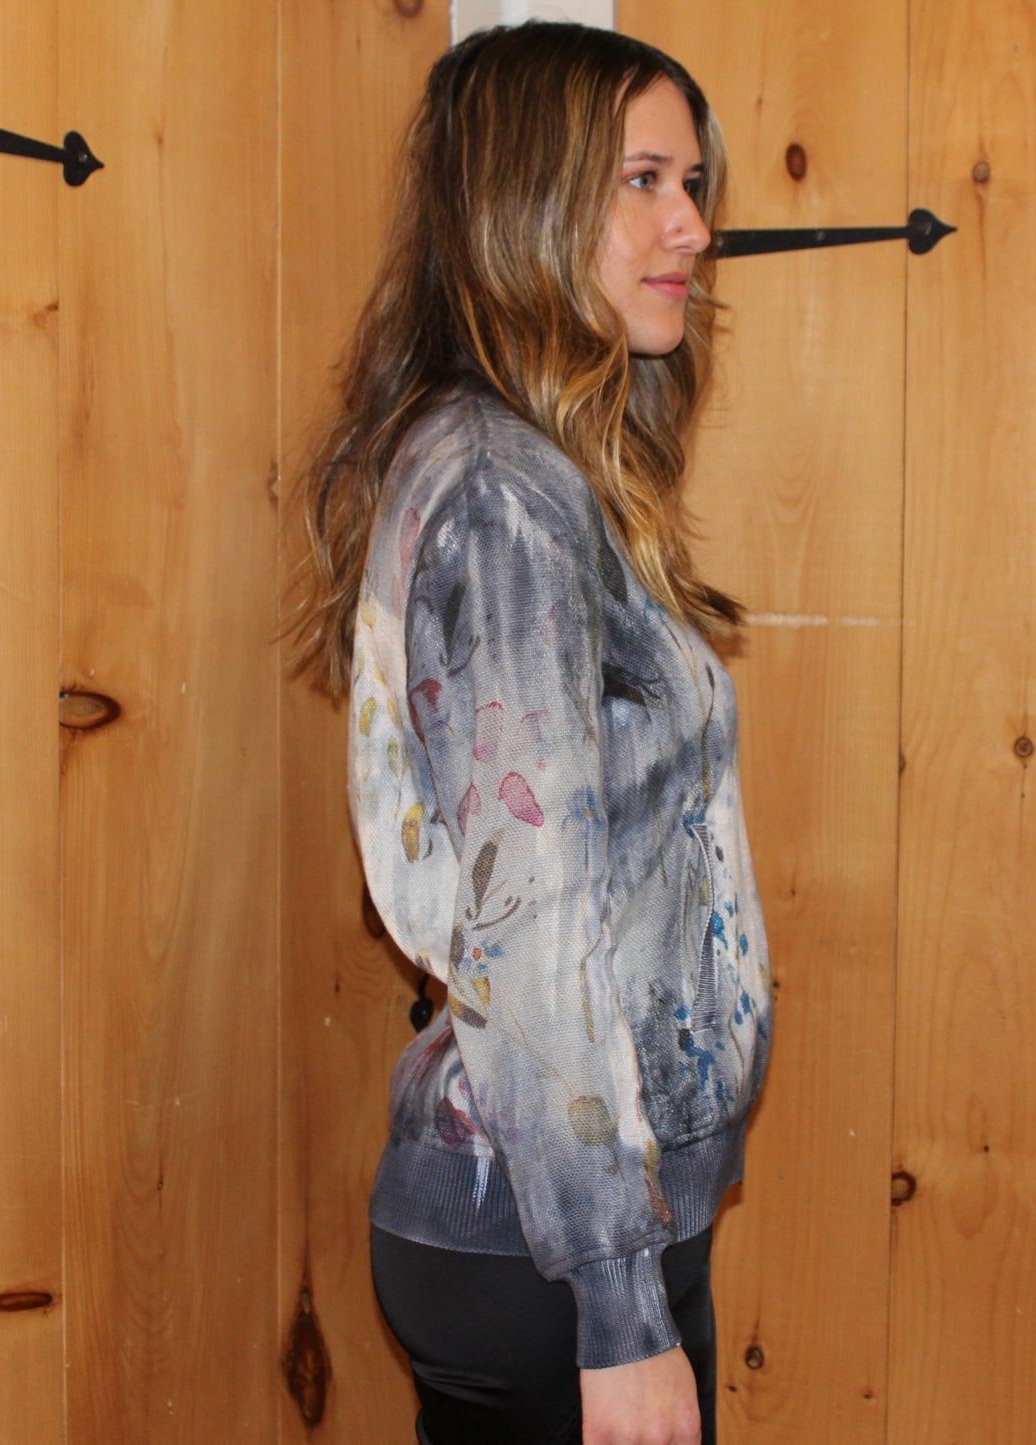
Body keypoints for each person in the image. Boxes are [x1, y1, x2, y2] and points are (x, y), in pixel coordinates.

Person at [291, 22, 771, 1445]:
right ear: (526, 203)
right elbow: (534, 923)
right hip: (554, 1255)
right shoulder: (503, 497)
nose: (690, 227)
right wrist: (619, 1312)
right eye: (643, 180)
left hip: (581, 1227)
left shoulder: (544, 474)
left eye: (692, 184)